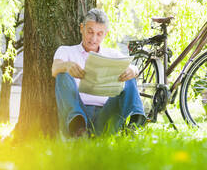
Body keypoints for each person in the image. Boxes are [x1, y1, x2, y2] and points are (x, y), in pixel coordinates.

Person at [52, 8, 146, 137]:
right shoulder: (66, 51)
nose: (94, 38)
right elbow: (55, 68)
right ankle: (78, 129)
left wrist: (133, 70)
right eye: (90, 32)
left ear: (105, 34)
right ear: (81, 28)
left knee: (129, 76)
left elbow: (134, 69)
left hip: (107, 114)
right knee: (62, 74)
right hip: (79, 111)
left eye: (99, 34)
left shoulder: (112, 54)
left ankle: (136, 123)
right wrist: (67, 66)